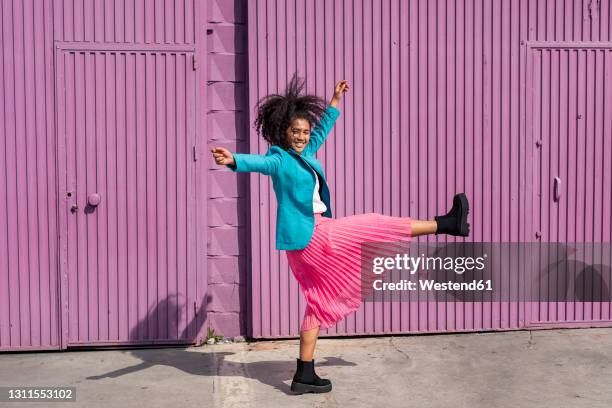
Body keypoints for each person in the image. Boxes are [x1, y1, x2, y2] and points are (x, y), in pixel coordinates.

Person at [211, 73, 470, 394]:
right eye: (296, 132)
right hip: (314, 236)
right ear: (284, 132)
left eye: (305, 132)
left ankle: (303, 374)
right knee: (376, 224)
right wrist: (234, 160)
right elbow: (259, 163)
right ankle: (446, 224)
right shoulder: (279, 159)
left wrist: (334, 102)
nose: (302, 137)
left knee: (317, 302)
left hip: (309, 239)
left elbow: (322, 130)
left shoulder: (306, 154)